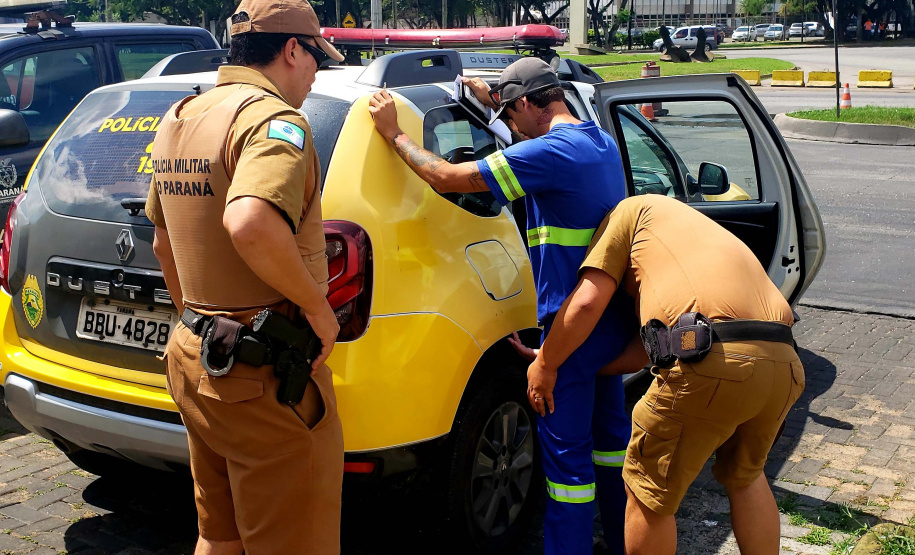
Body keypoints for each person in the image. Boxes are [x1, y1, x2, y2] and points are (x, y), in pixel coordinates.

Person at [368, 57, 635, 555]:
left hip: (570, 332)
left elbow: (447, 177)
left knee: (567, 472)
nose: (510, 127)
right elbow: (534, 152)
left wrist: (394, 135)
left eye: (513, 117)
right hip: (609, 326)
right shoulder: (597, 142)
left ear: (531, 105)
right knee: (609, 451)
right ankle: (623, 543)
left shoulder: (551, 154)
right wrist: (496, 110)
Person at [145, 0, 345, 552]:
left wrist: (203, 319)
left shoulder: (182, 117)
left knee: (219, 538)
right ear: (290, 50)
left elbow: (163, 243)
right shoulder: (274, 121)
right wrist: (317, 309)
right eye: (314, 61)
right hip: (265, 375)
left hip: (196, 359)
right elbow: (250, 221)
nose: (313, 74)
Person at [531, 194, 806, 555]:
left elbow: (586, 301)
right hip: (785, 363)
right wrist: (583, 364)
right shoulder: (690, 229)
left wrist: (547, 363)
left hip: (713, 357)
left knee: (648, 491)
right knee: (746, 477)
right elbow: (642, 353)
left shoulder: (627, 213)